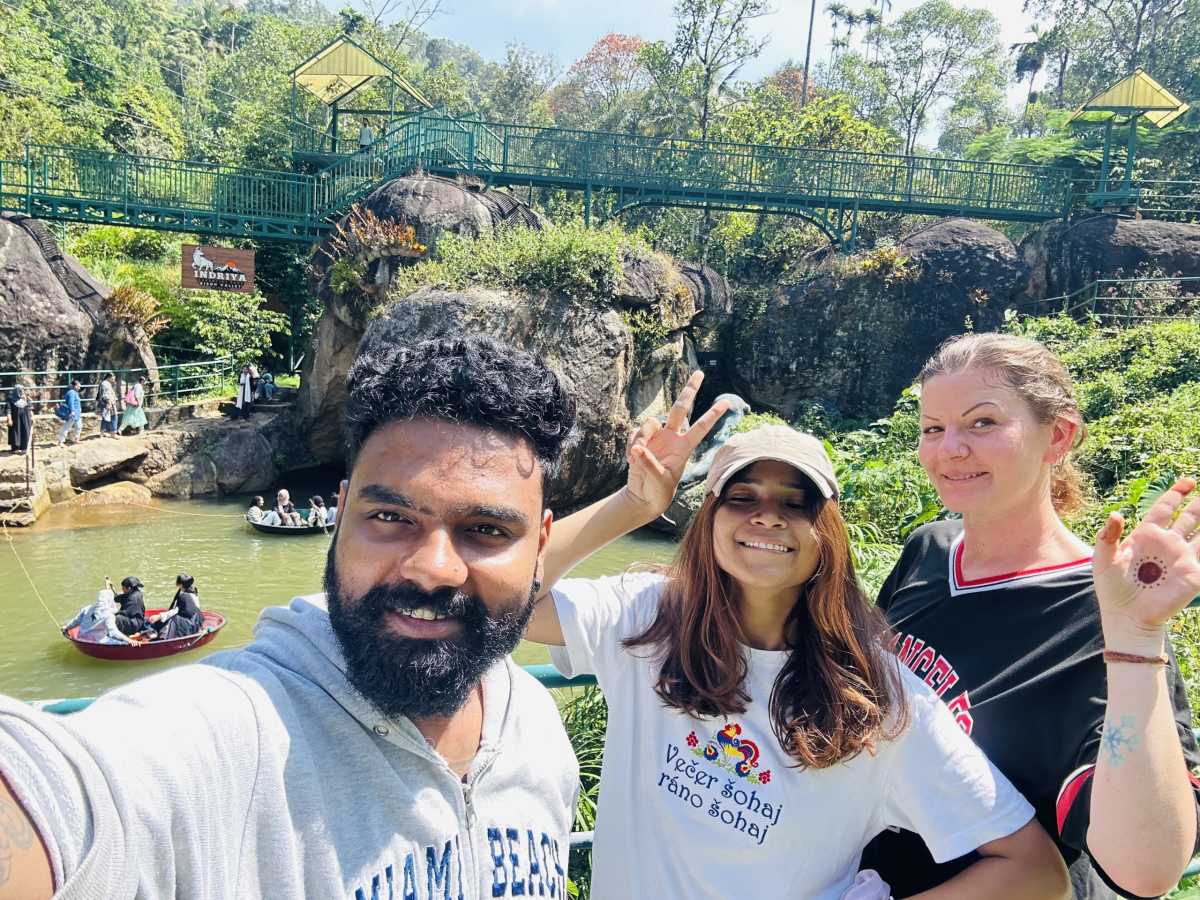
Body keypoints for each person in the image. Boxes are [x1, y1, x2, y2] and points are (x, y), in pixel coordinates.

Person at [0, 333, 579, 899]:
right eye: (390, 517)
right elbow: (66, 794)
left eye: (486, 530)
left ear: (540, 548)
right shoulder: (234, 735)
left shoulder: (537, 729)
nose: (432, 570)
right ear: (341, 513)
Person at [523, 377, 1070, 900]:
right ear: (710, 518)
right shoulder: (646, 616)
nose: (767, 517)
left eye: (795, 502)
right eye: (742, 497)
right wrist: (634, 504)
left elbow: (1035, 872)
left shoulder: (877, 699)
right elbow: (500, 605)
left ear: (826, 533)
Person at [859, 332, 1200, 899]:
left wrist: (1137, 639)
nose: (950, 449)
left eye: (983, 422)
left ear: (1058, 435)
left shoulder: (1106, 612)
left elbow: (1147, 871)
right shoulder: (929, 549)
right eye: (933, 428)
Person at [61, 578, 137, 646]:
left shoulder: (87, 608)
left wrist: (66, 627)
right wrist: (129, 640)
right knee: (124, 643)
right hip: (97, 641)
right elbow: (114, 632)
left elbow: (76, 621)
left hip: (81, 638)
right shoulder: (109, 615)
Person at [151, 573, 205, 640]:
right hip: (196, 621)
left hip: (190, 624)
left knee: (173, 619)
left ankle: (165, 638)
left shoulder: (184, 596)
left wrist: (159, 616)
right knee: (168, 618)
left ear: (180, 585)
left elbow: (175, 611)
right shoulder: (193, 591)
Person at [6, 382, 32, 452]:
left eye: (22, 390)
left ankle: (24, 448)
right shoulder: (11, 398)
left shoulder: (26, 398)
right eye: (20, 390)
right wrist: (9, 419)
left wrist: (32, 417)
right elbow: (8, 410)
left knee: (25, 431)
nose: (22, 391)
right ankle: (15, 448)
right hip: (15, 419)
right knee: (15, 433)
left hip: (25, 419)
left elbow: (29, 408)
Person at [55, 379, 83, 446]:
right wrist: (72, 411)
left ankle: (76, 439)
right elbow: (71, 403)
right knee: (66, 427)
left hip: (77, 413)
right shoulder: (71, 393)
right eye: (78, 386)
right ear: (75, 386)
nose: (79, 387)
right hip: (72, 413)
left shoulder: (75, 393)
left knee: (79, 426)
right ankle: (60, 441)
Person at [96, 373, 119, 437]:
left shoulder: (105, 383)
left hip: (107, 402)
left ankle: (102, 432)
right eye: (112, 378)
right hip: (108, 403)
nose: (114, 380)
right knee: (113, 416)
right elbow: (106, 394)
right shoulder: (105, 384)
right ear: (109, 377)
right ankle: (113, 433)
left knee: (105, 417)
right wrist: (109, 403)